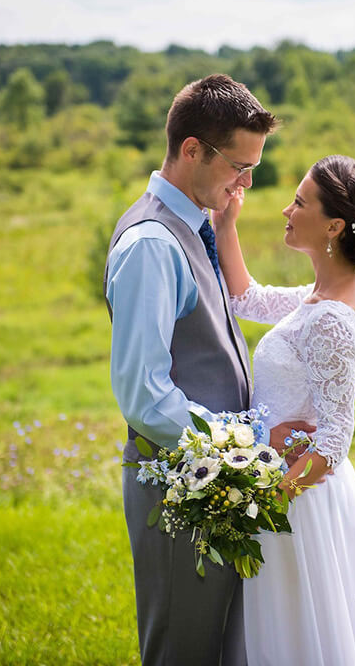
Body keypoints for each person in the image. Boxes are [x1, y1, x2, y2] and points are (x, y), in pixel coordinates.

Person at [105, 74, 313, 666]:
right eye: (238, 167)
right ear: (192, 149)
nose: (247, 183)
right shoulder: (152, 244)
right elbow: (144, 397)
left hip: (212, 483)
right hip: (178, 489)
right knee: (182, 650)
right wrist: (243, 451)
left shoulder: (197, 224)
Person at [213, 154, 355, 666]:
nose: (287, 209)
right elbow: (247, 298)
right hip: (288, 484)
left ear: (334, 225)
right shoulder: (322, 296)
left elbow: (332, 441)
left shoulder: (333, 319)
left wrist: (262, 503)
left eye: (299, 202)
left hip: (297, 501)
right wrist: (225, 223)